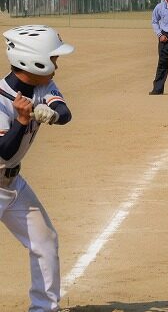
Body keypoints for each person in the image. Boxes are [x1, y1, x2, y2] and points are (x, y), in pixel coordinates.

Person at [0, 24, 74, 312]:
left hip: (13, 185)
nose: (56, 64)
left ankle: (44, 309)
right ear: (34, 60)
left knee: (45, 241)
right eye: (53, 58)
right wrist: (20, 122)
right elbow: (3, 151)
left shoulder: (42, 85)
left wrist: (53, 114)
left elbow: (65, 113)